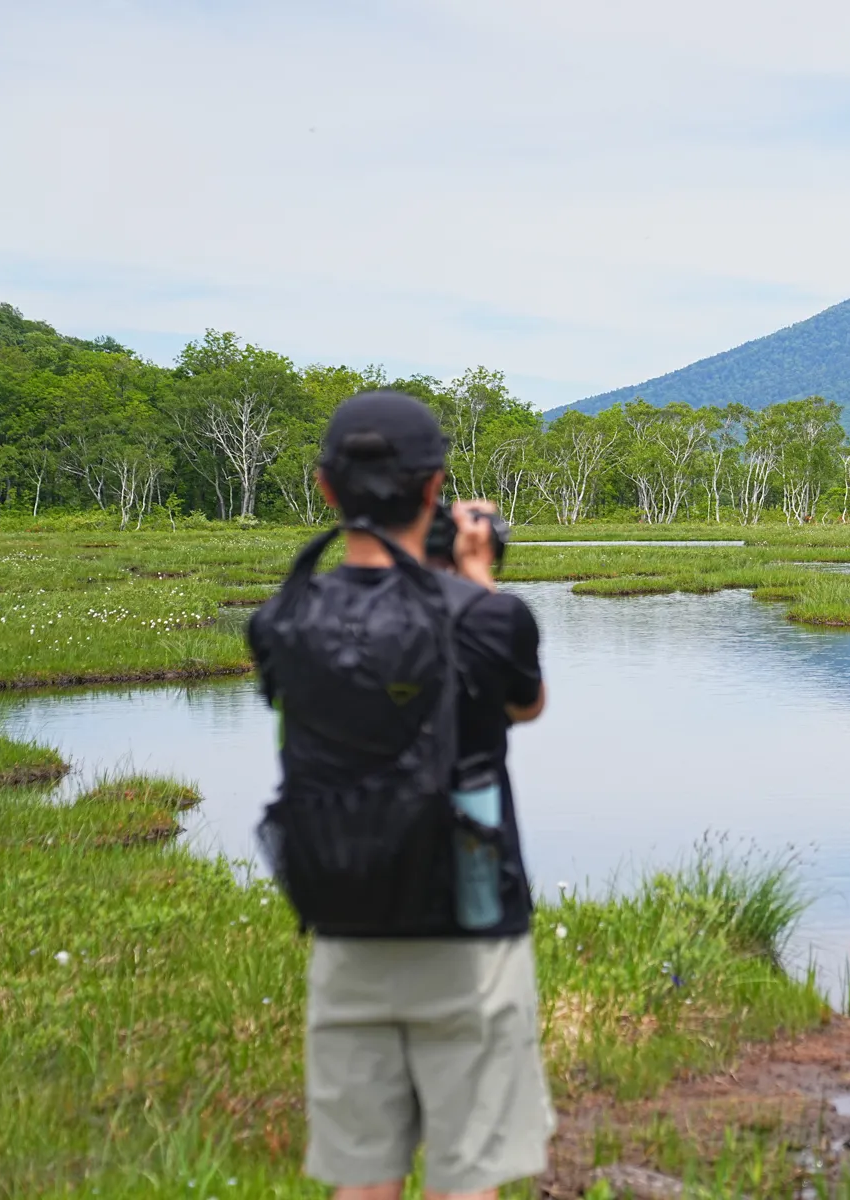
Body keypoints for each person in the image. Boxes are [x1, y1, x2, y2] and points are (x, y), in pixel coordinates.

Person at [247, 391, 554, 1200]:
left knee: (362, 1177)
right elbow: (524, 704)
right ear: (435, 489)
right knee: (468, 1180)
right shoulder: (488, 619)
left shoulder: (281, 620)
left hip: (345, 921)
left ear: (324, 489)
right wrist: (476, 577)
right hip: (472, 927)